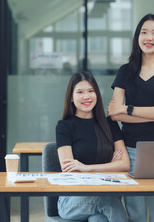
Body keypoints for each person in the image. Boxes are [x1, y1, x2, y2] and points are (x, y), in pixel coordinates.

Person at [108, 14, 154, 222]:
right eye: (144, 32)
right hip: (130, 151)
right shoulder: (125, 71)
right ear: (137, 37)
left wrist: (127, 109)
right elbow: (114, 114)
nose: (149, 37)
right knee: (136, 214)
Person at [56, 71, 129, 222]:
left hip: (103, 195)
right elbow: (70, 170)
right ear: (71, 97)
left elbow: (124, 164)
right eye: (80, 92)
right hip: (72, 200)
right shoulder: (64, 127)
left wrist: (87, 168)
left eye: (91, 91)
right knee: (107, 198)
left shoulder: (110, 124)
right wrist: (110, 166)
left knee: (99, 219)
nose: (86, 96)